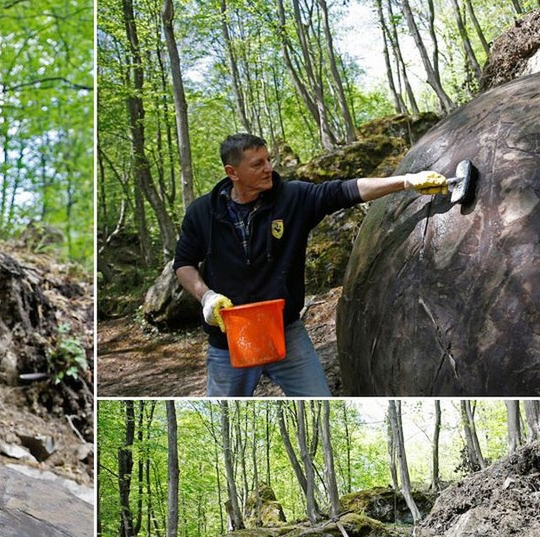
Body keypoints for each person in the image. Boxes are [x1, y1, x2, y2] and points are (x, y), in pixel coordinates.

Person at [173, 132, 449, 397]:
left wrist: (406, 181)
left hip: (286, 332)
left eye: (269, 159)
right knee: (225, 410)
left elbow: (345, 190)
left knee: (318, 399)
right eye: (257, 164)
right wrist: (206, 296)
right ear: (232, 172)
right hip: (229, 341)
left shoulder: (292, 198)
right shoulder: (202, 213)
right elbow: (183, 263)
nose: (269, 168)